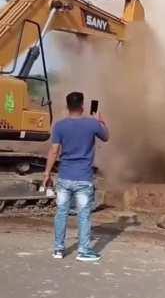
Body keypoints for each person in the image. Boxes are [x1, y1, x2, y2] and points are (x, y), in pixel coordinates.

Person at [44, 91, 109, 262]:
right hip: (83, 178)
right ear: (82, 106)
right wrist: (100, 121)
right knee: (84, 215)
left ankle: (58, 249)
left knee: (61, 213)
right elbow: (106, 136)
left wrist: (47, 173)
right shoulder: (92, 124)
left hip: (64, 176)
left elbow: (54, 150)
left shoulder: (60, 126)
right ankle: (83, 251)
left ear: (67, 106)